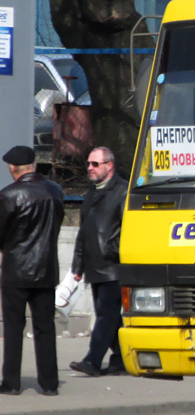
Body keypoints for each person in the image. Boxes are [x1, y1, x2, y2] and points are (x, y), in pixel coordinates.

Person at [0, 145, 64, 396]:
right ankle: (49, 383)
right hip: (46, 268)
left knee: (14, 327)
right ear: (34, 165)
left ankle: (11, 382)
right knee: (45, 327)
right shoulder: (55, 191)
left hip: (16, 269)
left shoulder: (9, 195)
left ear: (13, 169)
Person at [70, 146, 129, 377]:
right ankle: (121, 359)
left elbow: (128, 229)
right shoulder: (92, 192)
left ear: (109, 165)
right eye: (88, 164)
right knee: (110, 316)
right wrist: (77, 266)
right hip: (94, 266)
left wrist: (112, 251)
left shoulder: (122, 191)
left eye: (95, 164)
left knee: (106, 314)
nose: (90, 168)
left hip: (113, 266)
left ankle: (92, 361)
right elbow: (83, 232)